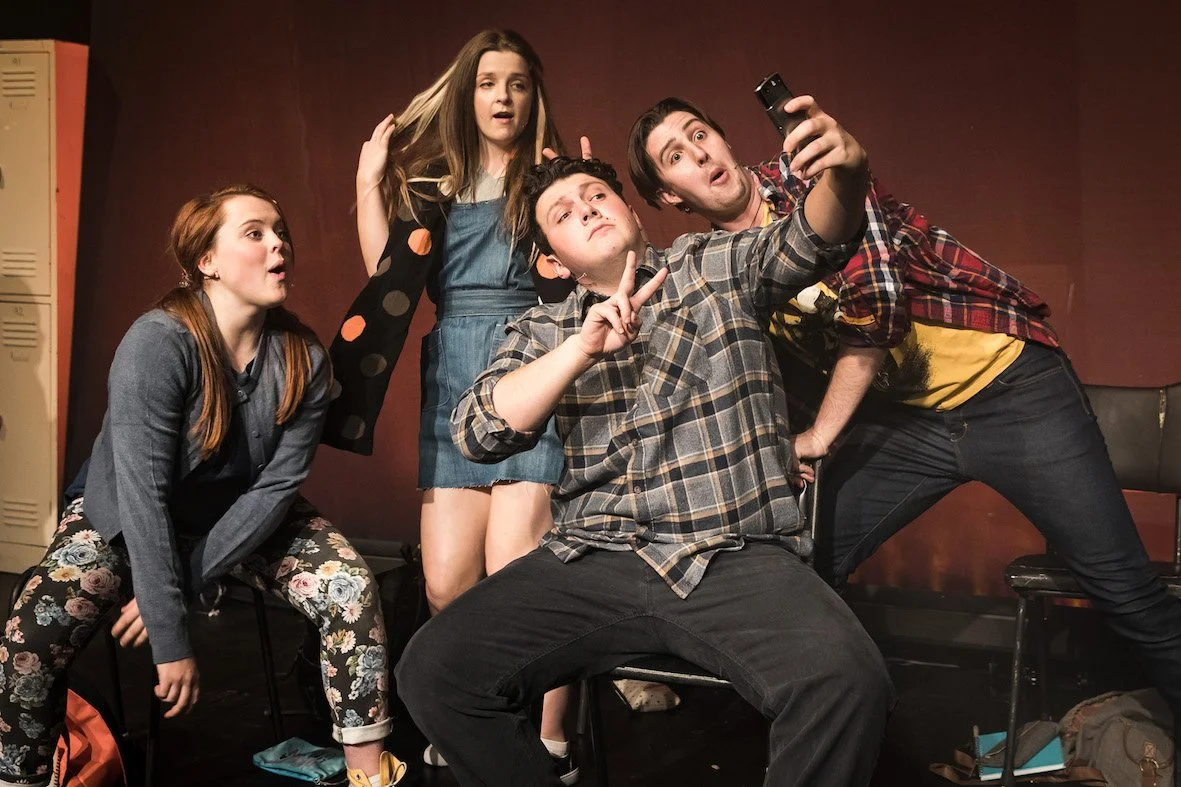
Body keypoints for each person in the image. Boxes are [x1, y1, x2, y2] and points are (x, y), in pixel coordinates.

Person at [626, 94, 1181, 717]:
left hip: (1012, 388)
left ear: (725, 138)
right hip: (912, 426)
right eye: (676, 155)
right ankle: (836, 728)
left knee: (1126, 593)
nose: (699, 153)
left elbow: (877, 306)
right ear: (670, 195)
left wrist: (819, 437)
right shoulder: (719, 266)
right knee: (804, 568)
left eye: (700, 133)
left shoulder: (814, 176)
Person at [395, 104, 894, 787]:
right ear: (552, 259)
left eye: (596, 195)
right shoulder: (542, 331)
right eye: (564, 212)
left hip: (731, 552)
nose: (587, 208)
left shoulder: (712, 266)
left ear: (630, 212)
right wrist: (580, 348)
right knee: (432, 670)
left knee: (848, 678)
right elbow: (478, 429)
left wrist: (848, 170)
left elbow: (812, 240)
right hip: (592, 560)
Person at [0, 186, 404, 787]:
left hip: (242, 516)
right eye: (255, 233)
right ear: (206, 261)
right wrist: (170, 638)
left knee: (349, 585)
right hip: (123, 513)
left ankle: (369, 773)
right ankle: (21, 778)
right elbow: (143, 496)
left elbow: (273, 492)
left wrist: (186, 581)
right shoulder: (157, 342)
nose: (279, 244)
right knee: (34, 625)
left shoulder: (303, 358)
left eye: (280, 231)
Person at [321, 29, 577, 778]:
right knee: (444, 582)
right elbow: (385, 278)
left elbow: (590, 264)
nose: (503, 96)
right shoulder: (434, 184)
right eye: (488, 82)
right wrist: (369, 182)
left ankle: (554, 736)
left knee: (519, 568)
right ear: (467, 94)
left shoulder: (549, 176)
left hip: (529, 363)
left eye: (518, 82)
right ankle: (474, 716)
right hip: (453, 373)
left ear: (534, 96)